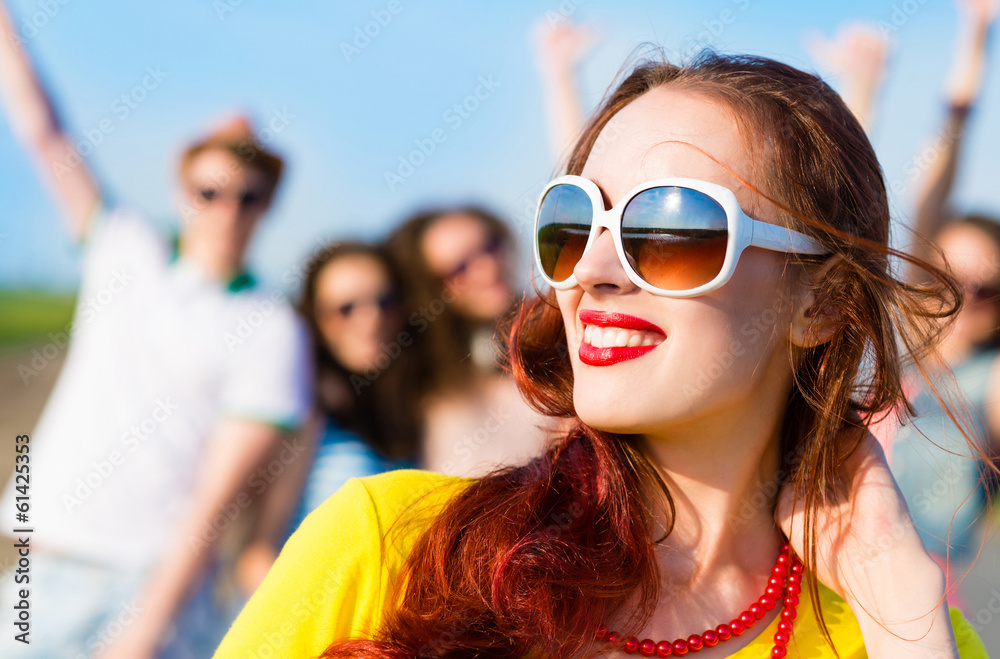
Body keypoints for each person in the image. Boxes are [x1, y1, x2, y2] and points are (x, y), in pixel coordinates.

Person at [213, 52, 990, 657]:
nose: (593, 269)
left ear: (820, 302)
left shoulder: (901, 627)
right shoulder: (387, 547)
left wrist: (903, 609)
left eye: (674, 229)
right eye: (575, 222)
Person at [0, 3, 312, 657]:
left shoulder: (271, 328)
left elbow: (214, 500)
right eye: (210, 190)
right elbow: (42, 131)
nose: (227, 208)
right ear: (181, 189)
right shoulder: (121, 247)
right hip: (44, 568)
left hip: (148, 590)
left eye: (248, 194)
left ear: (268, 204)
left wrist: (145, 626)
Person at [233, 242, 422, 595]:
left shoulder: (412, 404)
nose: (371, 319)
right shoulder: (305, 406)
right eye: (345, 308)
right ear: (315, 319)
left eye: (385, 301)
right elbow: (257, 557)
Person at [387, 207, 556, 477]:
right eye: (459, 268)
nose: (487, 267)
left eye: (489, 246)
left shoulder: (556, 328)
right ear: (430, 289)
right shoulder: (424, 390)